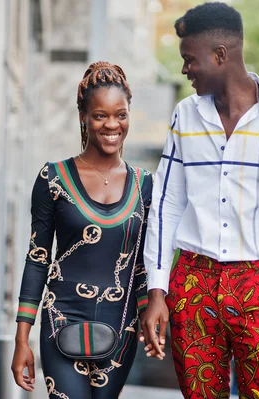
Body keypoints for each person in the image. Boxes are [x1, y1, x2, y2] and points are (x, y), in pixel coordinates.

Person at [140, 3, 259, 398]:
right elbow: (166, 205)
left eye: (189, 59)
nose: (184, 70)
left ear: (220, 55)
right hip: (193, 283)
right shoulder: (185, 115)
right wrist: (157, 290)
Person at [11, 61, 153, 398]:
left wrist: (149, 314)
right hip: (61, 320)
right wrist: (21, 340)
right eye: (100, 115)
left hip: (121, 327)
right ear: (83, 117)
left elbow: (143, 263)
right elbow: (37, 260)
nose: (111, 125)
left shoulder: (146, 185)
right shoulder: (52, 179)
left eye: (120, 114)